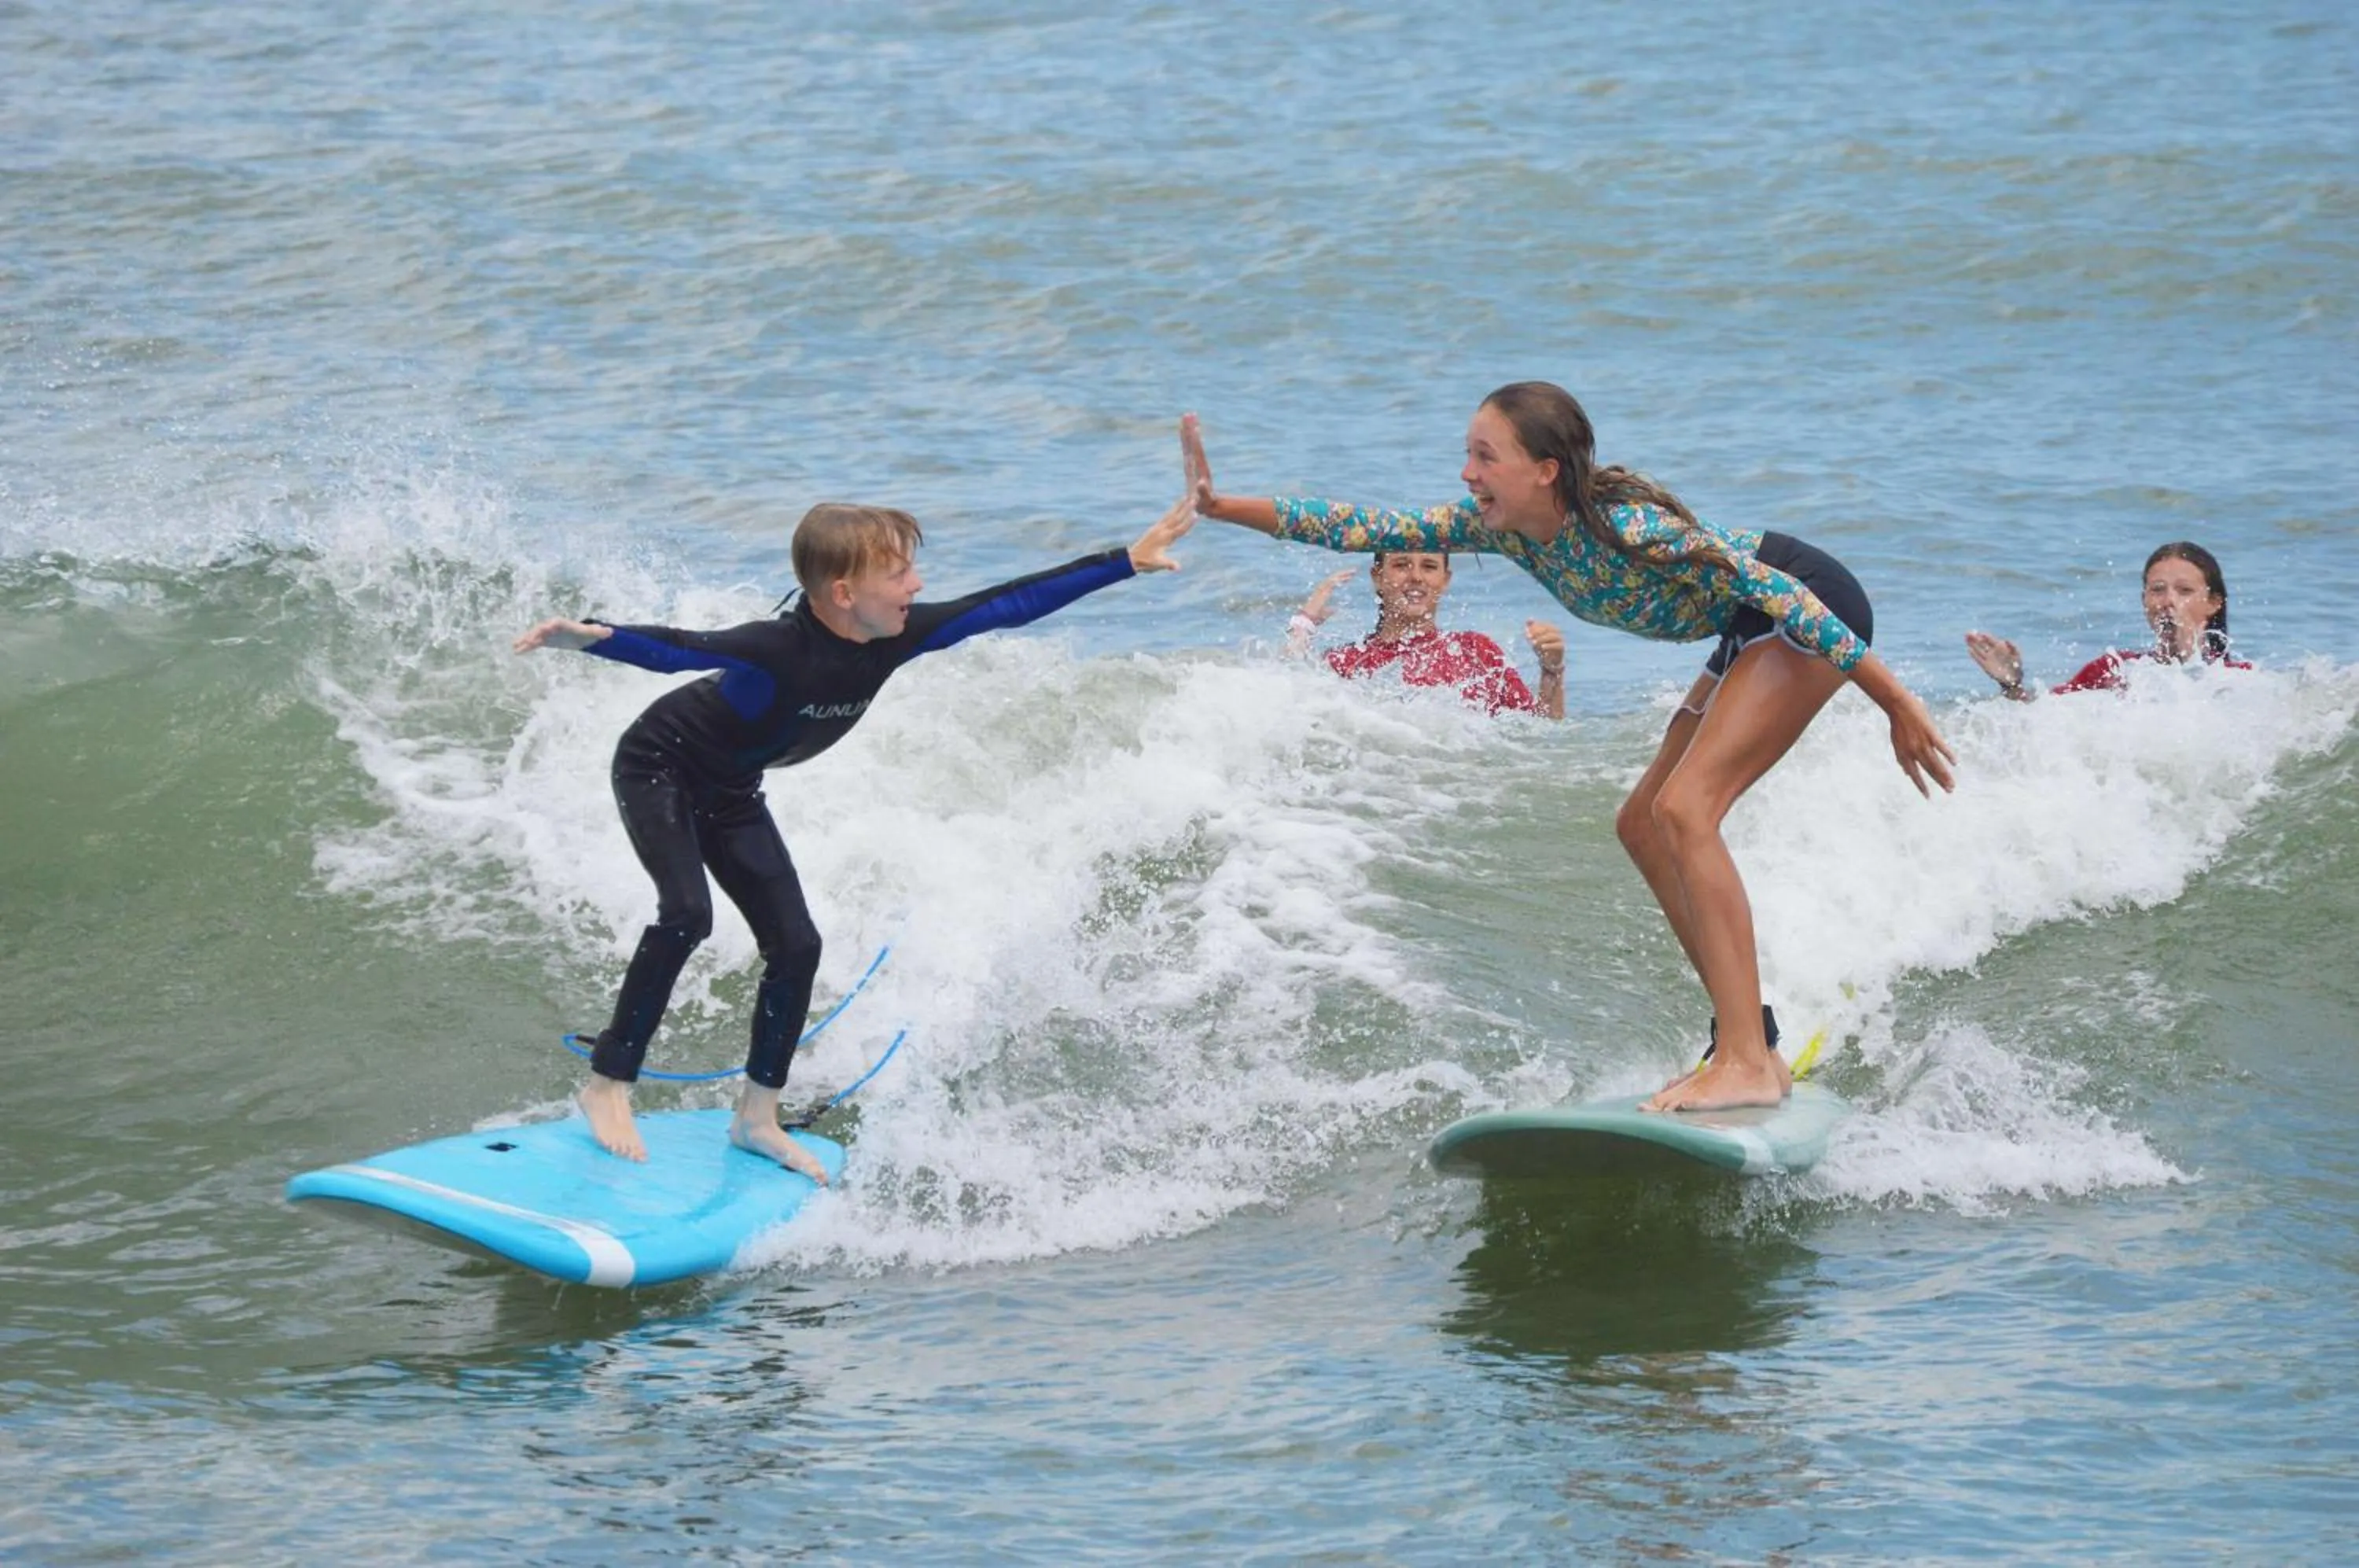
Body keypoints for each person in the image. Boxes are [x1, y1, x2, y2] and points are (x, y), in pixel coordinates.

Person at [1181, 383, 1956, 1113]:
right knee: (1643, 822)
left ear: (1544, 470)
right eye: (1468, 453)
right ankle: (1748, 1037)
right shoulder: (1512, 535)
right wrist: (1219, 507)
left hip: (1804, 606)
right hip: (1745, 626)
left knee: (1687, 810)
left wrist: (1894, 701)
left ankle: (1748, 1062)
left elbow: (1784, 594)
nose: (1467, 471)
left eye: (1486, 455)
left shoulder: (1625, 527)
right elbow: (1357, 524)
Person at [513, 496, 1197, 1177]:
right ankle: (608, 1085)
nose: (917, 587)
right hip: (660, 765)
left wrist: (1125, 563)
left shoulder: (896, 636)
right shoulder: (778, 649)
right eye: (899, 574)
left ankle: (756, 1118)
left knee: (798, 944)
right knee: (688, 913)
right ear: (844, 593)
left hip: (731, 788)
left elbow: (1006, 604)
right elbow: (681, 649)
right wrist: (590, 636)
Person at [1287, 550, 1567, 719]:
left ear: (1445, 580)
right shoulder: (1347, 661)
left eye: (1429, 566)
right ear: (1377, 577)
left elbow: (1541, 728)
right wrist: (1304, 623)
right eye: (1401, 565)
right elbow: (1285, 698)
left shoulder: (1476, 651)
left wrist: (1551, 670)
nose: (1416, 577)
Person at [1965, 542, 2247, 699]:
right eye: (2157, 590)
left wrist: (2190, 655)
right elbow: (2041, 721)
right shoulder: (2113, 669)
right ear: (2144, 601)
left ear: (2214, 603)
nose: (2168, 601)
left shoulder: (2241, 679)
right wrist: (2012, 684)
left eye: (2184, 591)